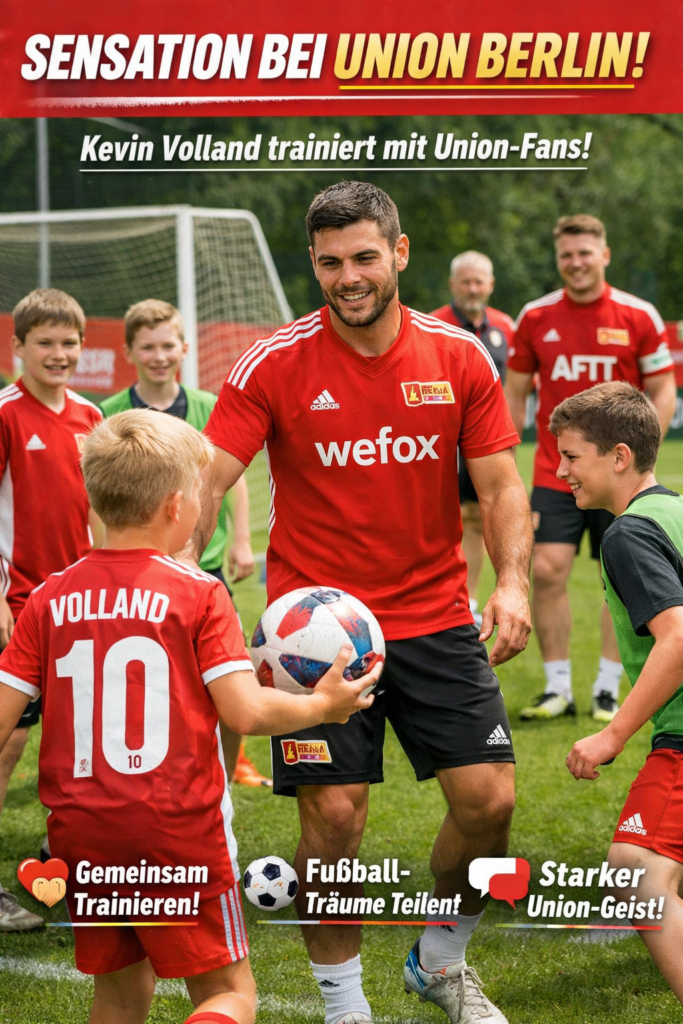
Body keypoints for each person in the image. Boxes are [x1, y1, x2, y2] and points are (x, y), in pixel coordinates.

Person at [196, 181, 533, 1024]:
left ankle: (439, 961)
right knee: (336, 820)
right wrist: (178, 580)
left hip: (435, 617)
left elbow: (500, 485)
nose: (347, 277)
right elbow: (205, 480)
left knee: (489, 803)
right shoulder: (273, 362)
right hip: (315, 640)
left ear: (399, 253)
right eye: (329, 262)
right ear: (312, 264)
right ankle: (344, 1007)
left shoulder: (458, 355)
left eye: (364, 258)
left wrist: (512, 581)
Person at [0, 410, 378, 1024]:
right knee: (229, 995)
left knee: (120, 995)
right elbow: (245, 711)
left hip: (82, 833)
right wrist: (322, 707)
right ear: (177, 506)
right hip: (177, 831)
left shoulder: (48, 597)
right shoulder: (199, 592)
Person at [505, 214, 677, 723]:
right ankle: (557, 687)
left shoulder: (638, 314)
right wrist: (506, 456)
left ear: (604, 254)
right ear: (558, 259)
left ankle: (607, 687)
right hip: (554, 471)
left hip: (621, 475)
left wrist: (641, 452)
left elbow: (663, 388)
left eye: (585, 253)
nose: (576, 262)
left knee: (621, 572)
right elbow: (514, 392)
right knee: (547, 569)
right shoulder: (536, 316)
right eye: (566, 255)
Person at [101, 299, 269, 788]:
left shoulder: (207, 406)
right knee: (143, 671)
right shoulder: (109, 413)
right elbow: (97, 497)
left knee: (231, 666)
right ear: (129, 352)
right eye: (148, 347)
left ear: (185, 348)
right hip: (133, 569)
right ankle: (136, 762)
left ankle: (229, 769)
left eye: (167, 345)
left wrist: (241, 539)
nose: (159, 356)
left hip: (202, 567)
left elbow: (230, 477)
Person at [555, 382, 683, 1006]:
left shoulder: (629, 534)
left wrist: (612, 734)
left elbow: (677, 638)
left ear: (620, 457)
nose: (561, 471)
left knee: (636, 872)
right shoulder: (676, 510)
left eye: (572, 456)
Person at [0, 288, 102, 931]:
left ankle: (61, 855)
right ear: (18, 347)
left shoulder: (91, 415)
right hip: (16, 609)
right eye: (45, 343)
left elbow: (98, 513)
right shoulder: (6, 414)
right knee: (8, 742)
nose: (58, 354)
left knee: (81, 744)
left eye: (69, 343)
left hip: (79, 611)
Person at [431, 252, 514, 625]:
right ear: (453, 284)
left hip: (488, 440)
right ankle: (443, 597)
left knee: (480, 517)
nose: (473, 288)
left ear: (490, 285)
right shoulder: (433, 324)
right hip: (443, 442)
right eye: (465, 281)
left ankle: (470, 600)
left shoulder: (506, 327)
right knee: (445, 519)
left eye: (479, 281)